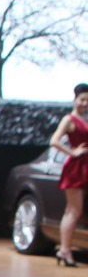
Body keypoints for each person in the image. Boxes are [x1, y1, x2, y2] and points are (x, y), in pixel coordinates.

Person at [47, 83, 88, 266]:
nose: (85, 103)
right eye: (82, 99)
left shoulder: (84, 120)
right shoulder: (69, 119)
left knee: (73, 211)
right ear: (75, 100)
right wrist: (73, 153)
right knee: (73, 211)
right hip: (76, 168)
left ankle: (65, 250)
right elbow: (54, 141)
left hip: (84, 167)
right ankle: (64, 251)